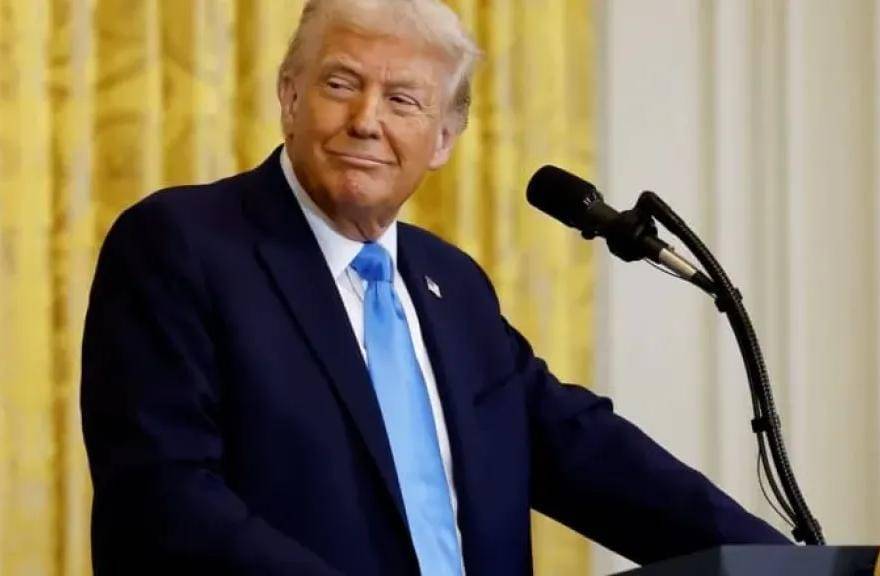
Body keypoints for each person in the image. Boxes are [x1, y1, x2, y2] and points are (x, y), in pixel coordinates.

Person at [80, 1, 789, 575]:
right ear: (289, 96)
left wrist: (787, 567)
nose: (367, 120)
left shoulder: (454, 286)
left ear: (445, 137)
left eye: (403, 99)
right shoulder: (182, 245)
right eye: (340, 84)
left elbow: (585, 452)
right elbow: (164, 504)